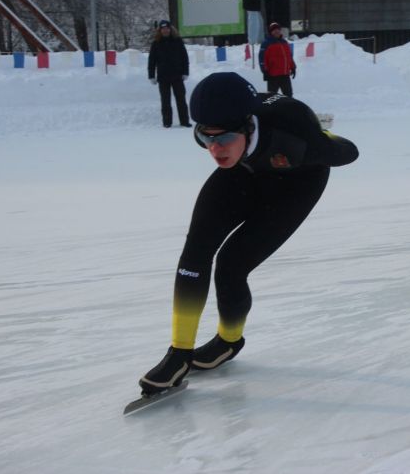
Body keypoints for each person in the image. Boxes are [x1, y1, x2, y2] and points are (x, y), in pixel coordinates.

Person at [138, 72, 359, 396]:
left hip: (296, 184)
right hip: (244, 171)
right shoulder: (228, 142)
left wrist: (320, 138)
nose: (214, 148)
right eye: (205, 138)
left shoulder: (293, 129)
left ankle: (228, 341)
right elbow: (223, 144)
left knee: (232, 264)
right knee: (195, 254)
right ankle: (179, 354)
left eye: (224, 138)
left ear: (248, 127)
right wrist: (226, 144)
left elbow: (349, 152)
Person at [147, 19, 190, 128]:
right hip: (163, 77)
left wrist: (185, 72)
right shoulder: (156, 43)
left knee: (181, 99)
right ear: (160, 30)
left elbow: (184, 58)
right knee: (165, 101)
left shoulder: (178, 41)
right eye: (163, 29)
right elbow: (152, 61)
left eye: (167, 28)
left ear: (170, 29)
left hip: (177, 76)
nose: (165, 31)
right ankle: (167, 122)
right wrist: (151, 75)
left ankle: (184, 121)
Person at [258, 22, 296, 97]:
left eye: (278, 29)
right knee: (271, 97)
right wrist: (265, 71)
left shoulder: (284, 42)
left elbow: (289, 57)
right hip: (273, 75)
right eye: (274, 30)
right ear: (270, 32)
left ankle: (288, 105)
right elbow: (262, 59)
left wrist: (293, 67)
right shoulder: (266, 43)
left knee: (289, 96)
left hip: (285, 75)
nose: (276, 31)